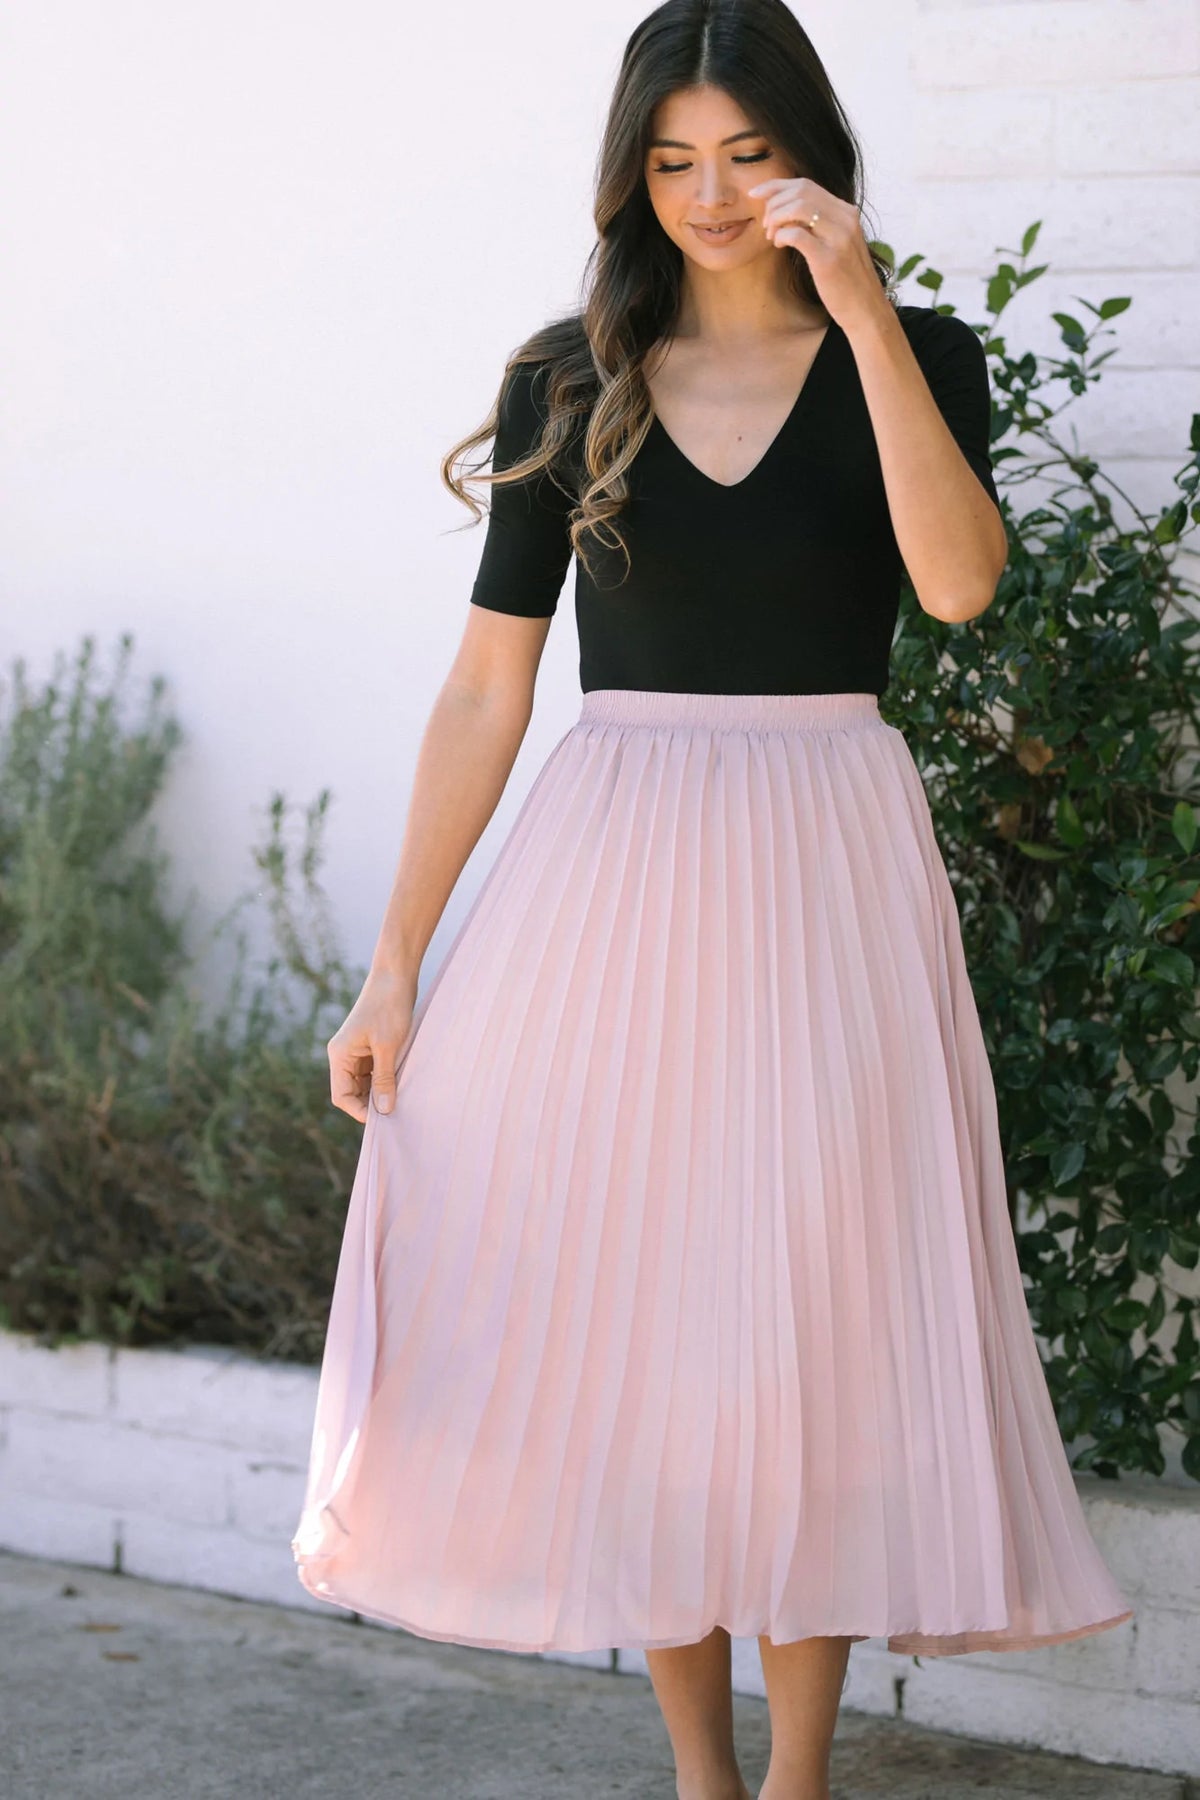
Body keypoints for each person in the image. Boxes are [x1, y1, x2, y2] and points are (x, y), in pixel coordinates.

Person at [291, 4, 1134, 1796]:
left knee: (811, 1334)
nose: (712, 193)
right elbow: (487, 690)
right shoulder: (569, 379)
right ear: (631, 177)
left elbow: (959, 587)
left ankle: (800, 1777)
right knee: (643, 1331)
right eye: (673, 161)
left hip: (830, 869)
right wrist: (393, 966)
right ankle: (700, 1774)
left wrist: (865, 316)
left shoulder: (918, 353)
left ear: (810, 152)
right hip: (612, 880)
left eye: (747, 153)